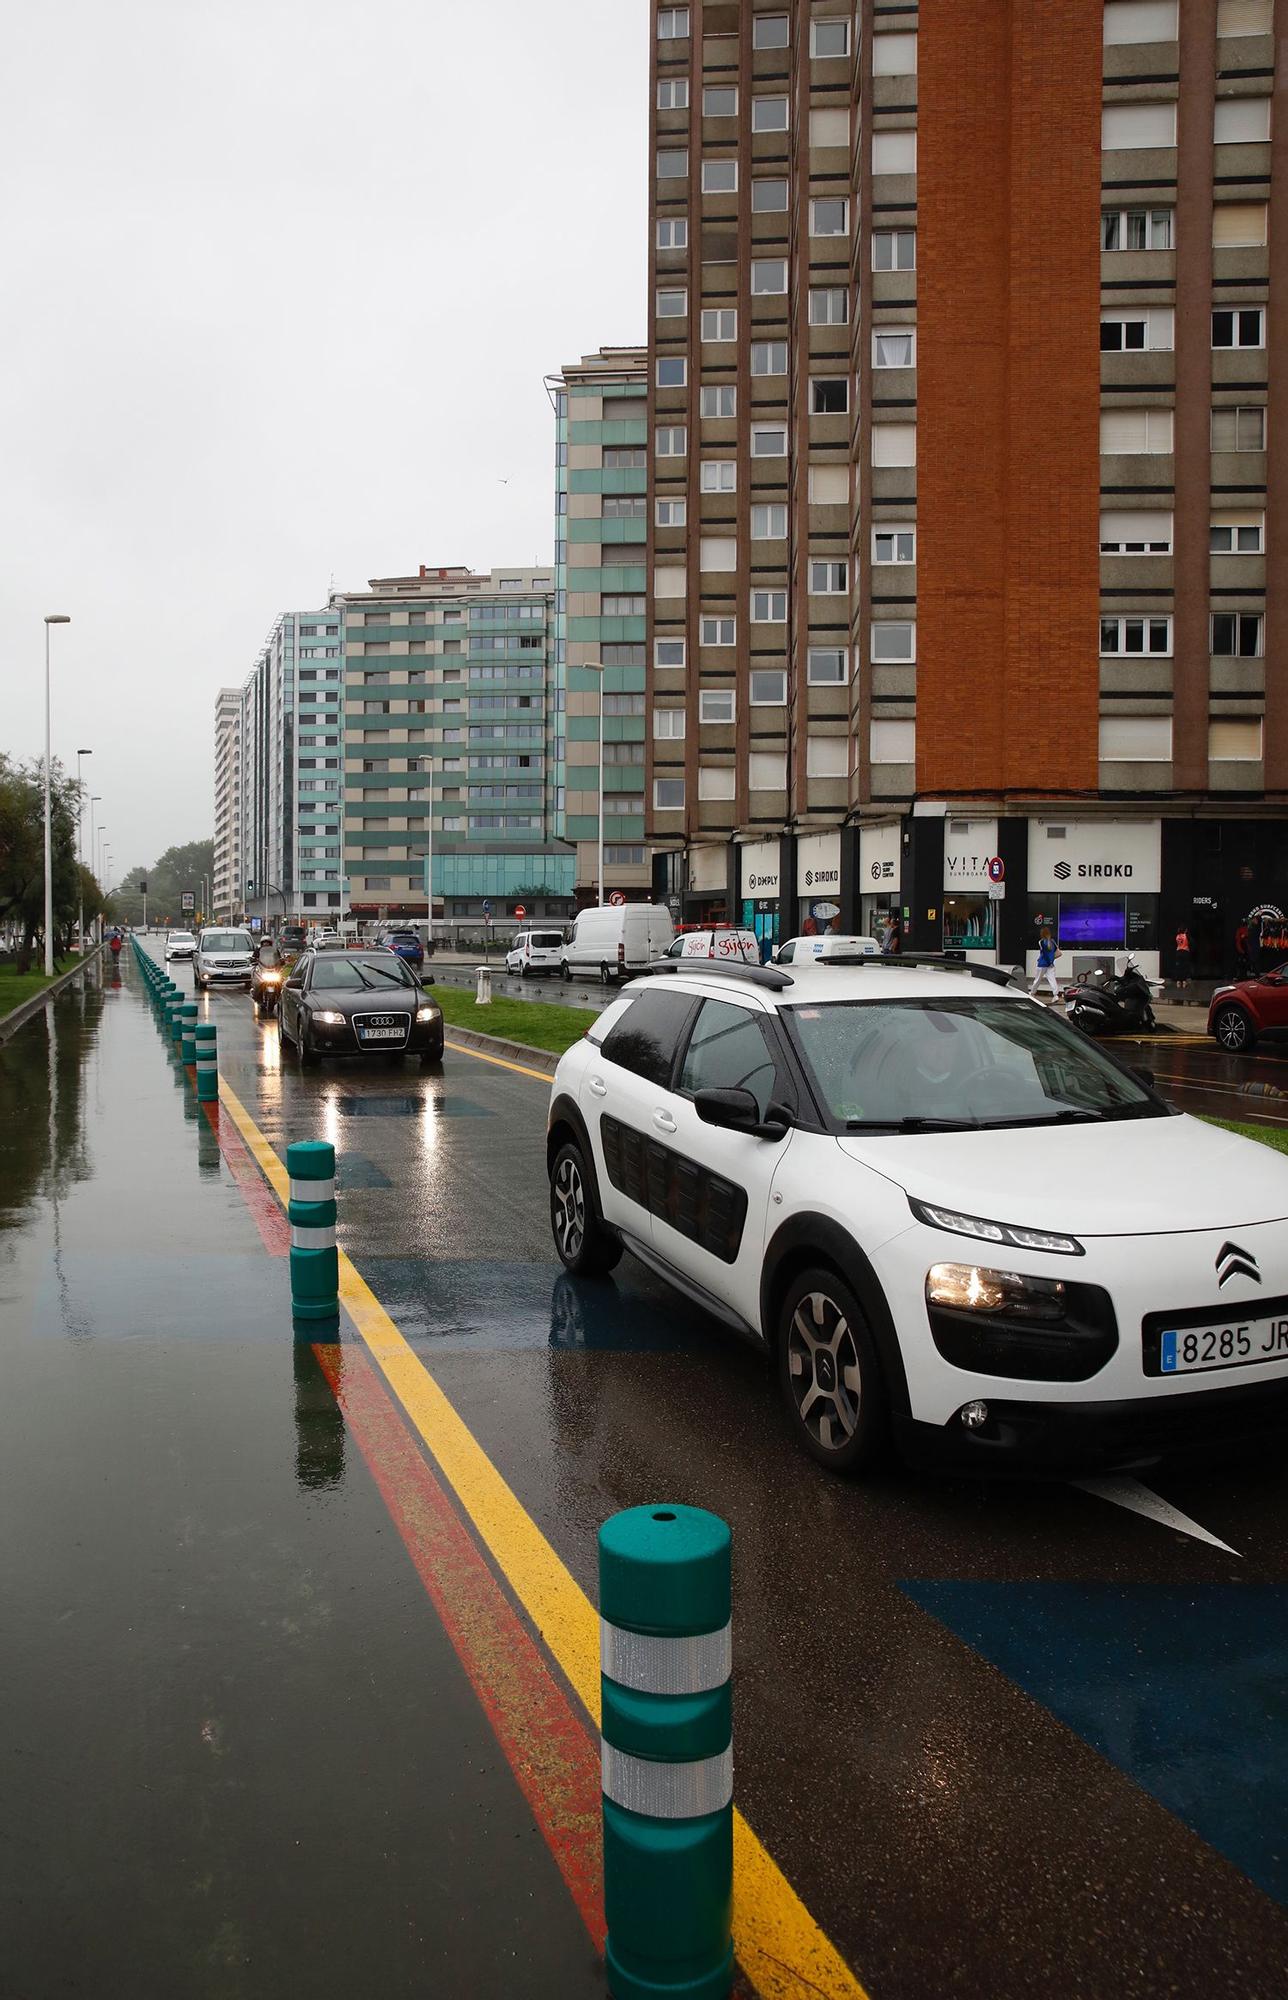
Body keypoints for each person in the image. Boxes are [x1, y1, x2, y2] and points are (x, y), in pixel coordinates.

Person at [1030, 929, 1060, 1002]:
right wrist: (1050, 961)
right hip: (1050, 964)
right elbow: (1056, 952)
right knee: (1052, 980)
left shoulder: (1041, 942)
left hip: (1042, 963)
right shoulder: (1052, 941)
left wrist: (1046, 960)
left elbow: (1044, 953)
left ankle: (1032, 994)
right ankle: (1056, 995)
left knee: (1037, 979)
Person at [1174, 924, 1192, 999]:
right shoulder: (1186, 936)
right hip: (1185, 951)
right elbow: (1189, 942)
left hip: (1178, 952)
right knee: (1184, 967)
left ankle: (1178, 981)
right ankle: (1184, 981)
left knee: (1179, 967)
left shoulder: (1177, 936)